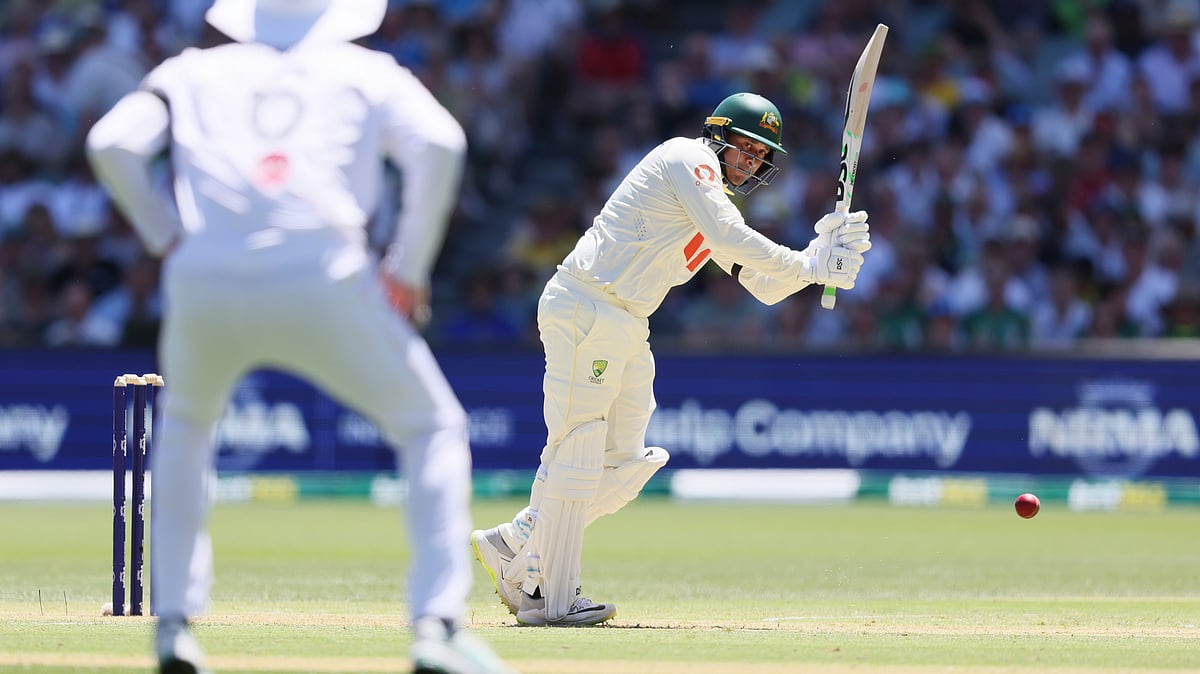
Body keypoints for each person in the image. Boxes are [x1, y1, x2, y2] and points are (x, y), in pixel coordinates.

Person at [85, 1, 517, 673]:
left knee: (186, 430)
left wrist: (164, 237)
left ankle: (173, 625)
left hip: (205, 275)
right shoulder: (369, 72)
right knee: (431, 426)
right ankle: (435, 624)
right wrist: (407, 268)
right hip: (323, 269)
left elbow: (111, 145)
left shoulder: (190, 70)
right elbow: (441, 145)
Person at [470, 92, 872, 626]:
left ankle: (517, 543)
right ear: (720, 135)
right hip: (587, 304)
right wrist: (806, 261)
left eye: (760, 156)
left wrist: (824, 263)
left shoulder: (710, 203)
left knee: (627, 464)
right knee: (579, 444)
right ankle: (552, 599)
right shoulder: (688, 160)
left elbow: (761, 285)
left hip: (628, 323)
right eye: (746, 148)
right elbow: (733, 237)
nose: (750, 162)